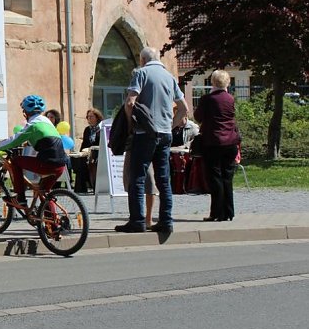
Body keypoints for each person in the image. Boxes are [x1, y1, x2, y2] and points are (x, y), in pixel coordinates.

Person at [116, 46, 189, 234]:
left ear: (142, 60)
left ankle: (138, 221)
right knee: (163, 179)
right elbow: (184, 109)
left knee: (137, 178)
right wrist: (170, 126)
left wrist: (130, 125)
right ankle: (166, 220)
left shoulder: (141, 73)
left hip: (144, 134)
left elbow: (130, 102)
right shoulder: (170, 77)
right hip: (165, 134)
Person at [0, 95, 67, 204]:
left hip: (47, 164)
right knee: (44, 193)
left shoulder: (32, 124)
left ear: (25, 112)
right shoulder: (47, 122)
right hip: (61, 165)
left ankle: (20, 198)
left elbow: (15, 140)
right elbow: (45, 140)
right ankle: (51, 219)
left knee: (15, 161)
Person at [194, 69, 241, 222]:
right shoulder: (230, 98)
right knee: (227, 177)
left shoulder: (207, 99)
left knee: (214, 178)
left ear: (213, 82)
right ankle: (229, 211)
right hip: (231, 142)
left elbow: (198, 117)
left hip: (213, 142)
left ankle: (216, 213)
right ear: (227, 82)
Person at [73, 108, 103, 193]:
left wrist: (91, 149)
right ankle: (80, 189)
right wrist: (81, 152)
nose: (89, 119)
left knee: (93, 162)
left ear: (97, 117)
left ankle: (95, 186)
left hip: (99, 153)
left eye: (91, 116)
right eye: (87, 117)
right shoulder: (87, 130)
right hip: (88, 153)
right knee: (79, 161)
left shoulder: (101, 129)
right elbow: (84, 143)